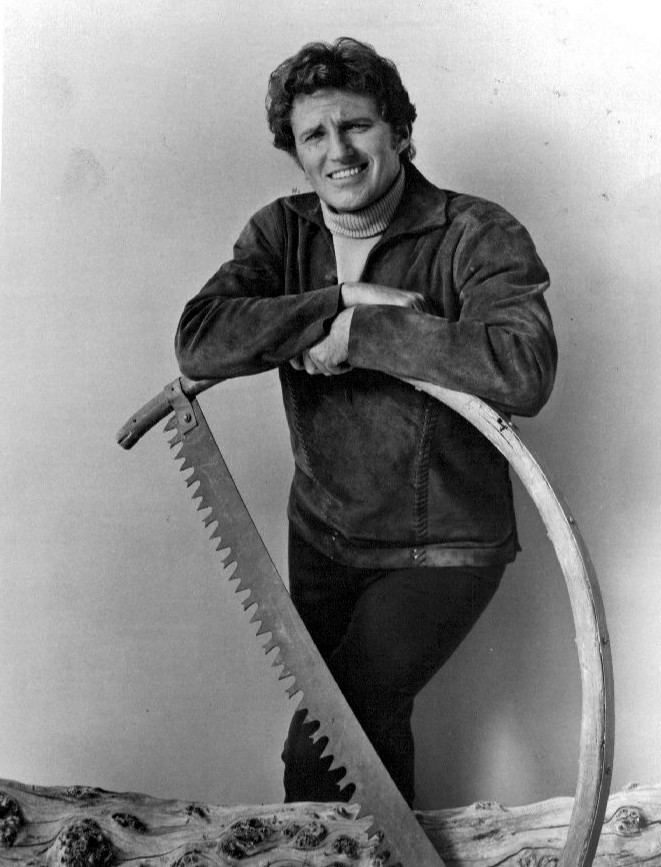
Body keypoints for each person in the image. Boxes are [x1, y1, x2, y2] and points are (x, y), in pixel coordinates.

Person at [175, 37, 557, 808]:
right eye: (314, 135)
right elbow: (201, 336)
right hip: (324, 531)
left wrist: (368, 338)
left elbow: (522, 368)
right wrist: (342, 302)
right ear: (296, 152)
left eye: (355, 127)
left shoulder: (475, 232)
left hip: (442, 544)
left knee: (323, 741)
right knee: (365, 742)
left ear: (401, 134)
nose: (337, 150)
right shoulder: (281, 234)